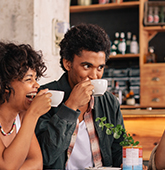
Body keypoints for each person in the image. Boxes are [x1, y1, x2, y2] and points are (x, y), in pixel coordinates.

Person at [35, 23, 125, 169]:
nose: (94, 76)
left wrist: (126, 163)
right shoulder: (45, 97)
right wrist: (70, 106)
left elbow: (118, 149)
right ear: (67, 63)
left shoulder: (109, 102)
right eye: (87, 66)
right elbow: (45, 156)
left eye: (100, 67)